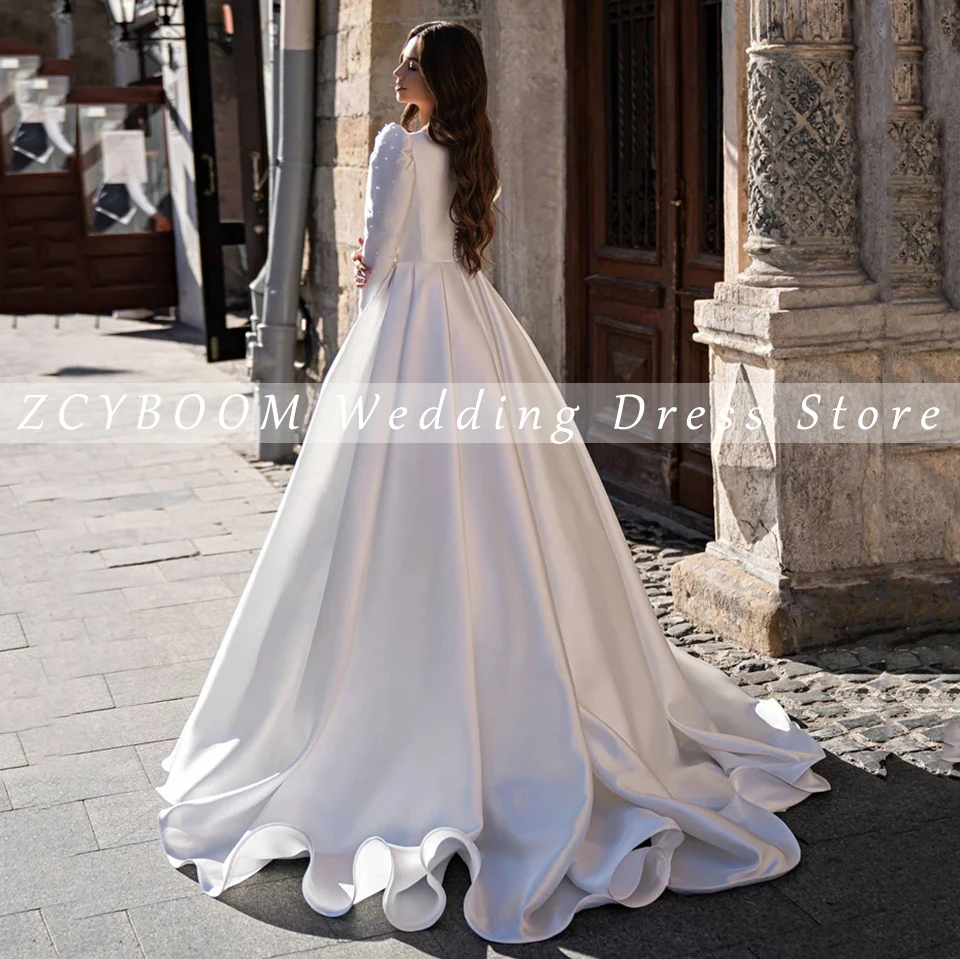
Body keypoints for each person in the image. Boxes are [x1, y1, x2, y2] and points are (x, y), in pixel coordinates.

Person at [156, 20, 830, 945]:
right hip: (471, 328)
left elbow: (377, 258)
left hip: (405, 332)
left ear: (434, 79)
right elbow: (452, 247)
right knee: (509, 504)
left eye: (409, 60)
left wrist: (359, 313)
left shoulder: (398, 143)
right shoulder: (468, 154)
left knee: (381, 515)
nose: (396, 67)